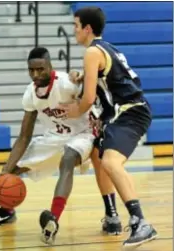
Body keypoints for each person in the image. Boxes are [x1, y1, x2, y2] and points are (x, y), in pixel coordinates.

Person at [0, 47, 122, 244]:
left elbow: (94, 92)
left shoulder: (66, 83)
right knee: (12, 170)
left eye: (40, 69)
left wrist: (101, 114)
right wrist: (6, 170)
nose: (36, 74)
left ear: (50, 66)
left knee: (68, 160)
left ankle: (53, 220)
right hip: (55, 137)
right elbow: (24, 136)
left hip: (84, 133)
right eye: (32, 70)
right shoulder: (30, 93)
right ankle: (6, 211)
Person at [58, 7, 158, 249]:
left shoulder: (92, 52)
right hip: (127, 110)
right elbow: (106, 80)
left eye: (76, 25)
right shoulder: (106, 48)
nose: (74, 30)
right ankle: (113, 216)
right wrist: (81, 77)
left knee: (111, 163)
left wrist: (74, 110)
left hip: (129, 111)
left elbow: (89, 99)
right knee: (100, 158)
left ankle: (140, 222)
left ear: (87, 29)